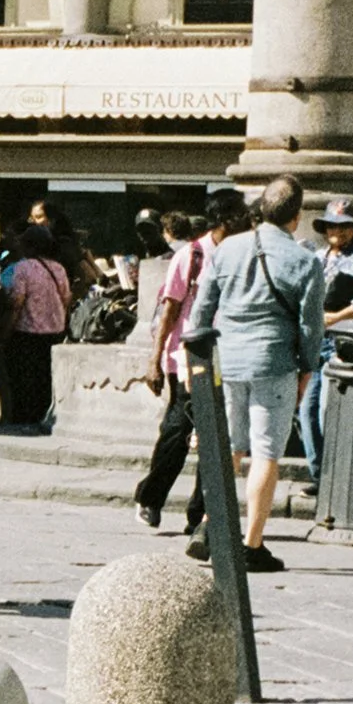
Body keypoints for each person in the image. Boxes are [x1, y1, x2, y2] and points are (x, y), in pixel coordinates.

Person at [183, 173, 326, 573]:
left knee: (227, 449)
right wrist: (306, 371)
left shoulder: (227, 249)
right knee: (266, 453)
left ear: (262, 209)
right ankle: (252, 544)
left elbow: (201, 310)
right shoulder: (305, 261)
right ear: (296, 217)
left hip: (227, 362)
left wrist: (198, 362)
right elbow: (311, 327)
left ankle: (212, 525)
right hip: (273, 363)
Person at [134, 201, 238, 533]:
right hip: (186, 357)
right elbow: (169, 310)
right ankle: (151, 498)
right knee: (176, 432)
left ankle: (198, 515)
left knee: (212, 438)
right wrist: (155, 360)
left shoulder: (242, 256)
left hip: (227, 358)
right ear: (223, 222)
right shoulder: (191, 256)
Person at [299, 198, 353, 485]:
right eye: (333, 225)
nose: (339, 232)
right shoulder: (316, 257)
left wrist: (335, 317)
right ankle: (320, 475)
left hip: (342, 344)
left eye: (345, 227)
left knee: (326, 412)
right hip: (312, 344)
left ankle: (335, 479)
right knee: (306, 413)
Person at [0, 225, 72, 429]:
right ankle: (43, 417)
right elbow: (66, 298)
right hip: (55, 332)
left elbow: (16, 303)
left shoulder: (23, 268)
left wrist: (5, 333)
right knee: (45, 379)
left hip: (27, 333)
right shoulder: (58, 268)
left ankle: (23, 420)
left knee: (24, 380)